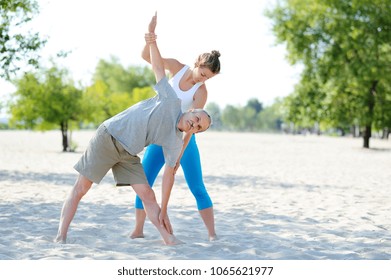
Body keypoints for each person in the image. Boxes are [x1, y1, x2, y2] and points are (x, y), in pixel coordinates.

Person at [53, 12, 212, 246]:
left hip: (128, 154)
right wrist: (152, 39)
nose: (194, 124)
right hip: (109, 137)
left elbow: (169, 174)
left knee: (148, 194)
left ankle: (168, 239)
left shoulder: (175, 141)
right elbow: (158, 67)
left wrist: (165, 210)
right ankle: (61, 236)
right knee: (81, 189)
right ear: (191, 110)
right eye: (197, 118)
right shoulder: (170, 100)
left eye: (198, 127)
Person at [130, 14, 221, 241]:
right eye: (203, 74)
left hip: (183, 141)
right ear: (197, 64)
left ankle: (212, 234)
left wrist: (180, 153)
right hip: (159, 136)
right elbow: (146, 56)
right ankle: (138, 230)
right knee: (145, 181)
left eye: (208, 78)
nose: (203, 80)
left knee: (197, 186)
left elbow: (194, 126)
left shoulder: (201, 92)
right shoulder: (176, 68)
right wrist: (150, 39)